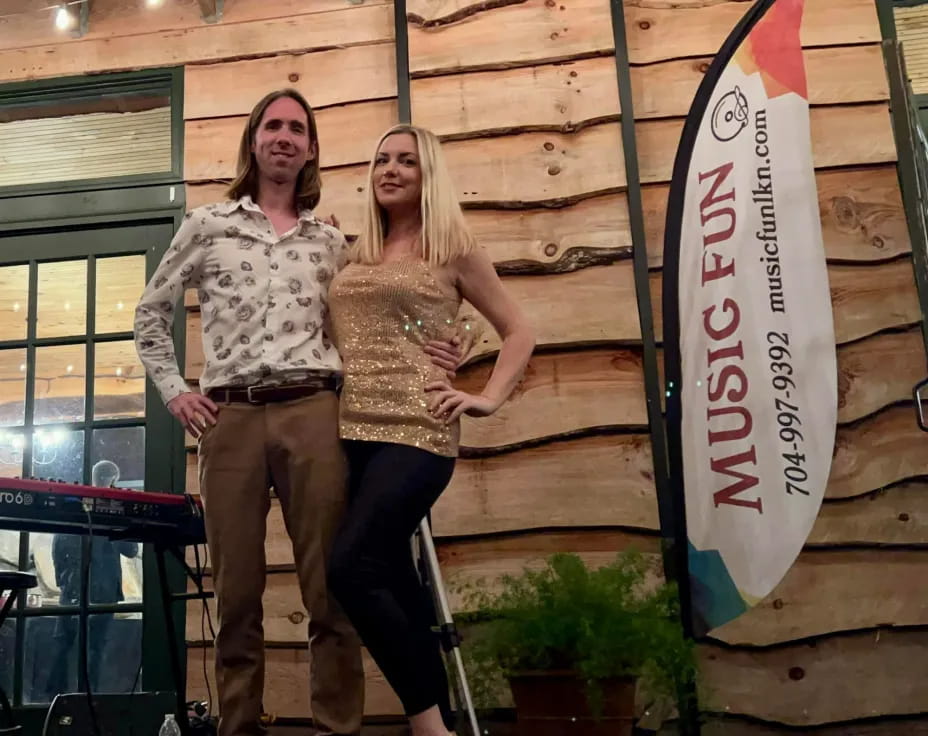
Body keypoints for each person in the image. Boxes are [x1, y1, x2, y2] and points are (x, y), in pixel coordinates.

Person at [134, 91, 462, 736]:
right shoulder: (206, 225)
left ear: (311, 148)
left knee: (332, 591)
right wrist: (176, 390)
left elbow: (402, 304)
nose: (284, 136)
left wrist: (455, 344)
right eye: (273, 125)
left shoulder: (335, 244)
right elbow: (151, 312)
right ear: (254, 139)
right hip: (227, 419)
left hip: (315, 412)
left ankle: (336, 727)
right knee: (235, 597)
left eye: (297, 129)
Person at [326, 125, 535, 736]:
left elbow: (519, 330)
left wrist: (486, 396)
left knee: (351, 566)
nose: (390, 170)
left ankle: (428, 727)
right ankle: (440, 717)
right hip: (352, 426)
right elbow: (381, 327)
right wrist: (456, 340)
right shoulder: (355, 251)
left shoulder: (453, 248)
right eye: (382, 159)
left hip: (420, 426)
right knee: (393, 575)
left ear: (428, 175)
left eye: (407, 163)